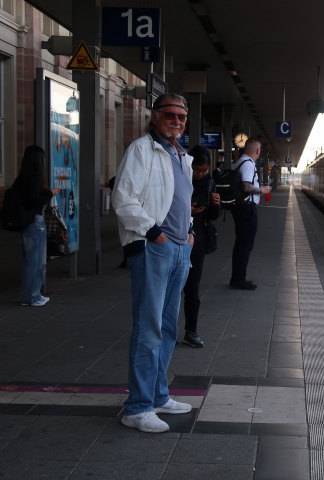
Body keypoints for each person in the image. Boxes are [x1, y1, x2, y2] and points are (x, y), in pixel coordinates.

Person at [111, 93, 195, 433]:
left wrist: (188, 233)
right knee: (149, 328)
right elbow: (124, 198)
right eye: (170, 115)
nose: (176, 121)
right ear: (155, 116)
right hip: (153, 248)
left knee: (168, 327)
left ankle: (158, 395)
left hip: (179, 248)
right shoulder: (141, 150)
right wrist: (154, 232)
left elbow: (181, 201)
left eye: (182, 117)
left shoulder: (182, 155)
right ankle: (138, 406)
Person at [182, 145, 220, 348]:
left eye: (204, 170)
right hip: (176, 236)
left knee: (192, 287)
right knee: (170, 287)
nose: (200, 174)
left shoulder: (209, 182)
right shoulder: (180, 179)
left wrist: (215, 204)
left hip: (198, 239)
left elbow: (213, 217)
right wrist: (188, 209)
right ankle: (163, 329)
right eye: (197, 169)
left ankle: (191, 330)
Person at [14, 145, 60, 306]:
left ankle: (28, 296)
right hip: (35, 222)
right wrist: (50, 193)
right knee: (37, 261)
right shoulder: (34, 178)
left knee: (29, 260)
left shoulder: (21, 178)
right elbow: (34, 202)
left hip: (26, 223)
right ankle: (33, 296)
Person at [229, 137, 270, 290]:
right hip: (246, 209)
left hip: (241, 208)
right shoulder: (248, 164)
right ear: (258, 151)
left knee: (241, 244)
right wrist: (263, 190)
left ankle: (237, 277)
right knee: (245, 245)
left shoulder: (239, 161)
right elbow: (246, 187)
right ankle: (239, 279)